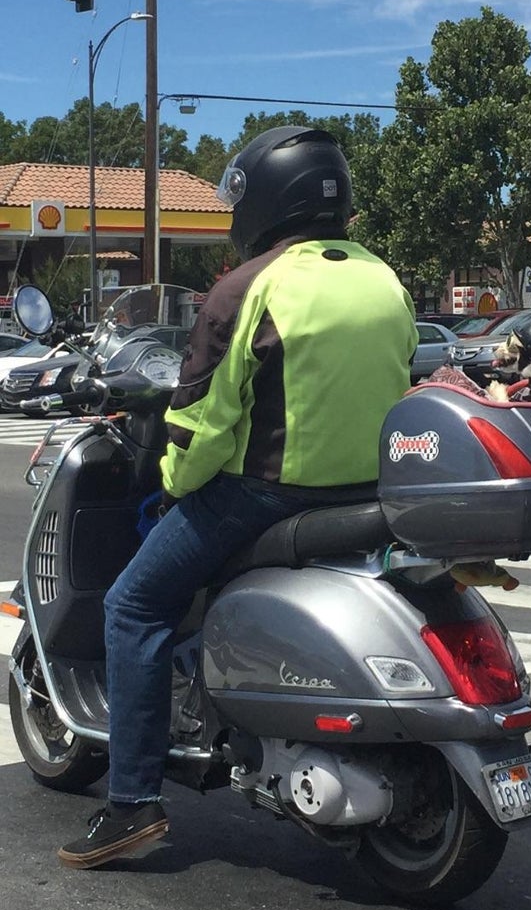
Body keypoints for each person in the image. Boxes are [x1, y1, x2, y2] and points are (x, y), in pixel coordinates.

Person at [57, 125, 419, 869]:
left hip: (267, 495)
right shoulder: (384, 278)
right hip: (368, 494)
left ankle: (130, 802)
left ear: (264, 204)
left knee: (132, 604)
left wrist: (167, 486)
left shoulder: (250, 285)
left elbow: (202, 422)